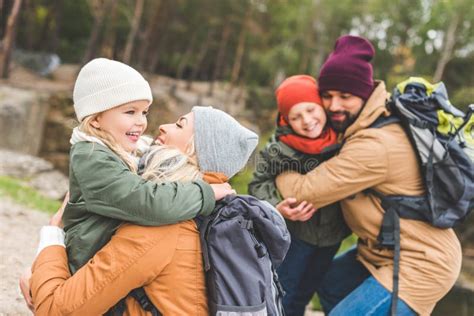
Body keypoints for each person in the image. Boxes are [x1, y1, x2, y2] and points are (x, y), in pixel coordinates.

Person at [275, 35, 461, 316]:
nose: (334, 105)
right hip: (379, 252)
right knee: (329, 283)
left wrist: (280, 166)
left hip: (419, 264)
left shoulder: (375, 145)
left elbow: (302, 191)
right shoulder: (369, 120)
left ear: (364, 94)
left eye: (345, 96)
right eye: (327, 95)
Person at [26, 105, 258, 315]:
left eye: (179, 125)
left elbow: (54, 309)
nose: (162, 126)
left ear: (195, 150)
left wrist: (52, 237)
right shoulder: (200, 209)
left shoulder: (161, 224)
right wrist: (38, 274)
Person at [248, 75, 349, 315]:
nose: (306, 120)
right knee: (284, 291)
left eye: (311, 110)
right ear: (285, 119)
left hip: (331, 236)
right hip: (295, 237)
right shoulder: (278, 149)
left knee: (307, 291)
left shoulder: (344, 140)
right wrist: (277, 206)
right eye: (295, 117)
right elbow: (257, 185)